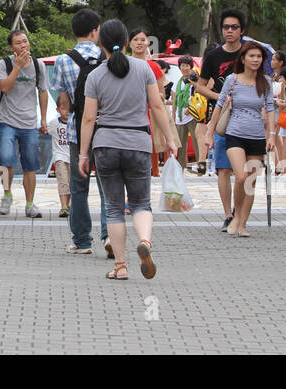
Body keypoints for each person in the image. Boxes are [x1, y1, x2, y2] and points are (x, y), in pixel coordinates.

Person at [77, 19, 177, 280]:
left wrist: (83, 154)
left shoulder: (95, 75)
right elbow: (157, 106)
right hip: (138, 143)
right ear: (125, 42)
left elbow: (89, 118)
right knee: (141, 203)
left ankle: (120, 266)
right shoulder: (144, 68)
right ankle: (145, 240)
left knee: (112, 208)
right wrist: (170, 139)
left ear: (101, 44)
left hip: (106, 145)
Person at [51, 8, 109, 255]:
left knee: (78, 185)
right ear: (96, 31)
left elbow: (63, 103)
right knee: (109, 186)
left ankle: (82, 241)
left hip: (77, 131)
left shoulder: (64, 60)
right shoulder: (106, 57)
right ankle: (109, 235)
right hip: (107, 129)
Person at [206, 40, 275, 237]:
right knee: (241, 176)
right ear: (243, 59)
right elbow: (219, 106)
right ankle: (234, 217)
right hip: (234, 133)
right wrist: (210, 132)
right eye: (251, 56)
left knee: (250, 182)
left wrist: (271, 135)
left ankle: (243, 223)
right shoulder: (232, 80)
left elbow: (270, 109)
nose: (255, 59)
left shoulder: (266, 82)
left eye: (259, 56)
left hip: (257, 136)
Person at [196, 8, 250, 229]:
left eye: (234, 27)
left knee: (245, 170)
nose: (229, 31)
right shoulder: (213, 56)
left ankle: (240, 211)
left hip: (248, 118)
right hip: (222, 118)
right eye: (226, 27)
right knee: (223, 168)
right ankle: (228, 213)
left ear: (242, 30)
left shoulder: (249, 53)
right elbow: (200, 86)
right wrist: (219, 96)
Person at [0, 29, 49, 218]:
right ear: (11, 47)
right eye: (18, 43)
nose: (23, 45)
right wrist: (17, 67)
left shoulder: (38, 65)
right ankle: (7, 195)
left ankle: (29, 204)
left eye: (25, 41)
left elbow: (43, 91)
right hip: (7, 120)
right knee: (6, 158)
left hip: (29, 122)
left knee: (30, 165)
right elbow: (5, 88)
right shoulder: (4, 64)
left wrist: (43, 119)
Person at [129, 28, 166, 176]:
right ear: (129, 43)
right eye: (135, 39)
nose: (139, 43)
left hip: (149, 116)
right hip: (128, 115)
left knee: (150, 154)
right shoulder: (124, 64)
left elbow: (162, 93)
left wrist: (155, 96)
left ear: (147, 44)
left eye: (142, 40)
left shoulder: (154, 67)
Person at [172, 55, 204, 174]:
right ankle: (180, 168)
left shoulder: (194, 81)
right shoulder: (177, 83)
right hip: (180, 118)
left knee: (197, 141)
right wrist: (174, 118)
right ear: (179, 67)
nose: (185, 68)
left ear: (191, 67)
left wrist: (190, 109)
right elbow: (175, 102)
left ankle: (201, 166)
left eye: (187, 66)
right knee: (180, 144)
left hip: (193, 116)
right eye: (182, 66)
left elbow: (198, 97)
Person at [48, 110, 71, 218]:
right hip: (59, 156)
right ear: (57, 109)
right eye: (63, 108)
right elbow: (44, 130)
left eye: (68, 109)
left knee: (71, 183)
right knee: (63, 181)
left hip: (72, 157)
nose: (66, 111)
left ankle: (68, 205)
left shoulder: (73, 123)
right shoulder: (54, 123)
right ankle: (63, 206)